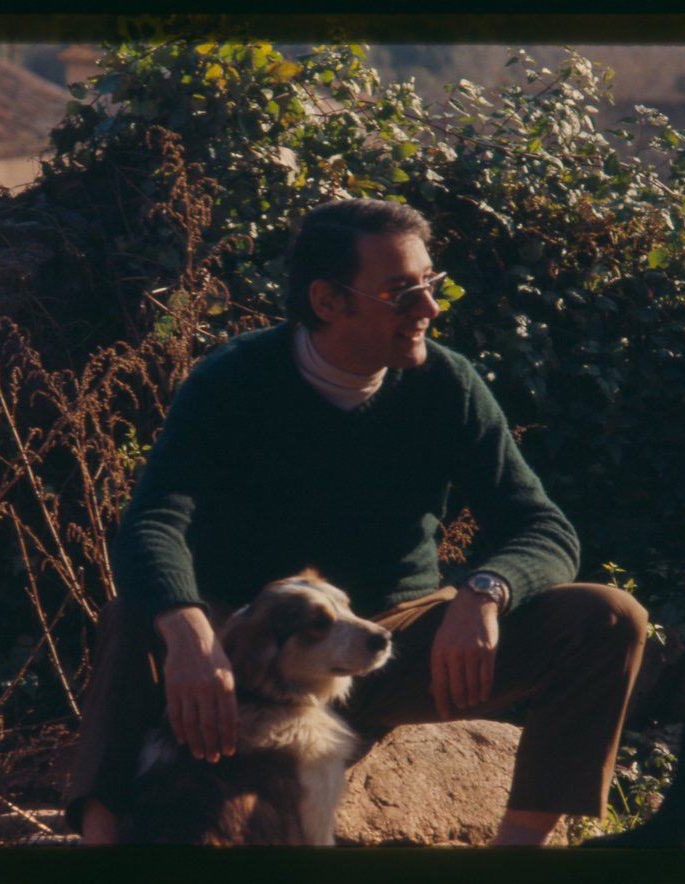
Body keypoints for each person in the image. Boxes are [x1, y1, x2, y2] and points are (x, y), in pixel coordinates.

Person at [64, 198, 652, 847]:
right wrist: (187, 629)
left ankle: (515, 855)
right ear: (327, 300)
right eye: (402, 292)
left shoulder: (447, 385)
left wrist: (487, 592)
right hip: (257, 642)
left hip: (397, 638)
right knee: (135, 614)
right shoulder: (232, 382)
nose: (429, 308)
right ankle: (100, 843)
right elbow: (154, 519)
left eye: (430, 283)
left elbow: (542, 527)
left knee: (609, 616)